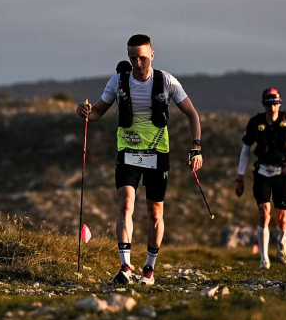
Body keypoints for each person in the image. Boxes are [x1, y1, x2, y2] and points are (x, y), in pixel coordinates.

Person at [76, 34, 203, 285]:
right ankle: (125, 266)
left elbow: (192, 113)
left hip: (158, 153)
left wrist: (196, 147)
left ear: (152, 55)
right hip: (128, 152)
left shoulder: (166, 81)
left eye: (142, 57)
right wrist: (85, 113)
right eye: (132, 58)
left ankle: (149, 268)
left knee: (154, 212)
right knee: (125, 204)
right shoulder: (118, 81)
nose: (137, 63)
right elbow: (99, 112)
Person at [235, 88, 286, 269]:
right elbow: (245, 150)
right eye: (269, 104)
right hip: (262, 173)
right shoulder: (255, 122)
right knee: (264, 214)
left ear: (280, 104)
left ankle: (282, 241)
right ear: (264, 105)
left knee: (281, 220)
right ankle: (264, 259)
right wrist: (240, 177)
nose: (272, 108)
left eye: (275, 104)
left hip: (282, 173)